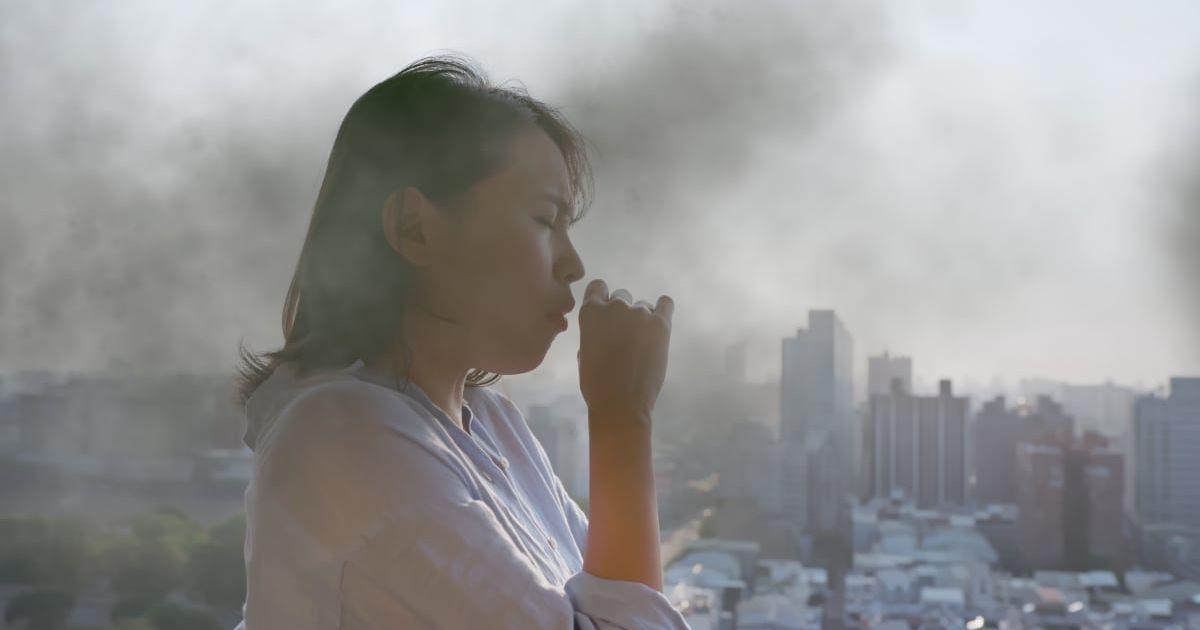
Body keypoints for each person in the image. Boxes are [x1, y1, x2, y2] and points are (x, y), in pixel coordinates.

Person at [231, 54, 688, 629]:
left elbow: (608, 599)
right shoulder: (343, 432)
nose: (572, 265)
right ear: (415, 229)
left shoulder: (494, 423)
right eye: (546, 221)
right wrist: (624, 419)